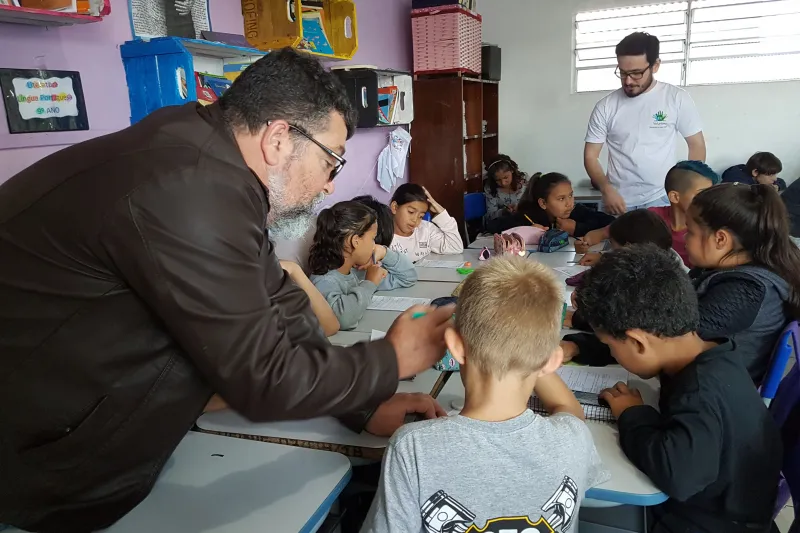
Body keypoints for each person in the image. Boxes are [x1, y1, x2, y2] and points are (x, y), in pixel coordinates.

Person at [0, 48, 453, 532]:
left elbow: (280, 303)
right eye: (332, 163)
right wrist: (391, 359)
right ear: (278, 139)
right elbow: (263, 377)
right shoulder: (187, 188)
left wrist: (363, 404)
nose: (328, 186)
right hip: (41, 458)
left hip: (92, 432)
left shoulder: (209, 163)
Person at [361, 257, 608, 533]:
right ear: (552, 362)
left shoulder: (412, 448)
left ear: (455, 347)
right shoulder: (574, 437)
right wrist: (531, 354)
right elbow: (569, 410)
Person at [576, 245, 782, 533]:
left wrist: (632, 415)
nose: (611, 352)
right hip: (721, 505)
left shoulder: (699, 391)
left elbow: (679, 477)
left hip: (711, 523)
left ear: (638, 342)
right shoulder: (707, 351)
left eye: (610, 346)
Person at [564, 184, 799, 385]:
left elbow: (662, 337)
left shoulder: (745, 290)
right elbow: (654, 316)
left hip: (708, 399)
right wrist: (583, 336)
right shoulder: (715, 270)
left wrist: (583, 332)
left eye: (691, 231)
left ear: (720, 239)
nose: (684, 238)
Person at [584, 32, 706, 215]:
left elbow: (696, 145)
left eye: (636, 73)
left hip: (661, 198)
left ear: (655, 66)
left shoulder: (676, 98)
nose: (628, 81)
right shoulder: (606, 106)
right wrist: (606, 189)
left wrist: (687, 189)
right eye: (623, 73)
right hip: (617, 200)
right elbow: (590, 156)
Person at [579, 160, 718, 266]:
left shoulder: (709, 228)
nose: (708, 199)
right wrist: (591, 248)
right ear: (675, 197)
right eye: (701, 194)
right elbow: (602, 234)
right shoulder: (650, 218)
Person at [310, 201, 417, 330]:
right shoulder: (324, 281)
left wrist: (384, 252)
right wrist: (369, 284)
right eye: (372, 239)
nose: (374, 245)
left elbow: (408, 276)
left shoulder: (356, 271)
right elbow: (343, 319)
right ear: (355, 241)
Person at [514, 172, 615, 237]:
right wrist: (526, 232)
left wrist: (577, 228)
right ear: (543, 203)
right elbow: (505, 229)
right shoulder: (528, 216)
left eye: (570, 195)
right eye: (561, 199)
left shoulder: (576, 211)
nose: (569, 203)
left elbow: (613, 223)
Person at [389, 183, 464, 261]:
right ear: (395, 207)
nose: (415, 220)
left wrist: (443, 214)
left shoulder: (426, 230)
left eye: (421, 216)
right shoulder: (383, 237)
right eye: (411, 212)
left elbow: (456, 247)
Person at [483, 154, 530, 227]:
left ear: (512, 170)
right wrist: (504, 211)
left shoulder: (524, 181)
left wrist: (521, 208)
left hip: (524, 219)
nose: (503, 183)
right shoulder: (491, 188)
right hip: (503, 223)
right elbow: (490, 216)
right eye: (498, 180)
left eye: (506, 177)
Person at [722, 151, 787, 192]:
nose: (775, 179)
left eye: (775, 174)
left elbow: (781, 182)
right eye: (770, 175)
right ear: (755, 172)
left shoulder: (756, 175)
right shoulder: (739, 185)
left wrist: (777, 187)